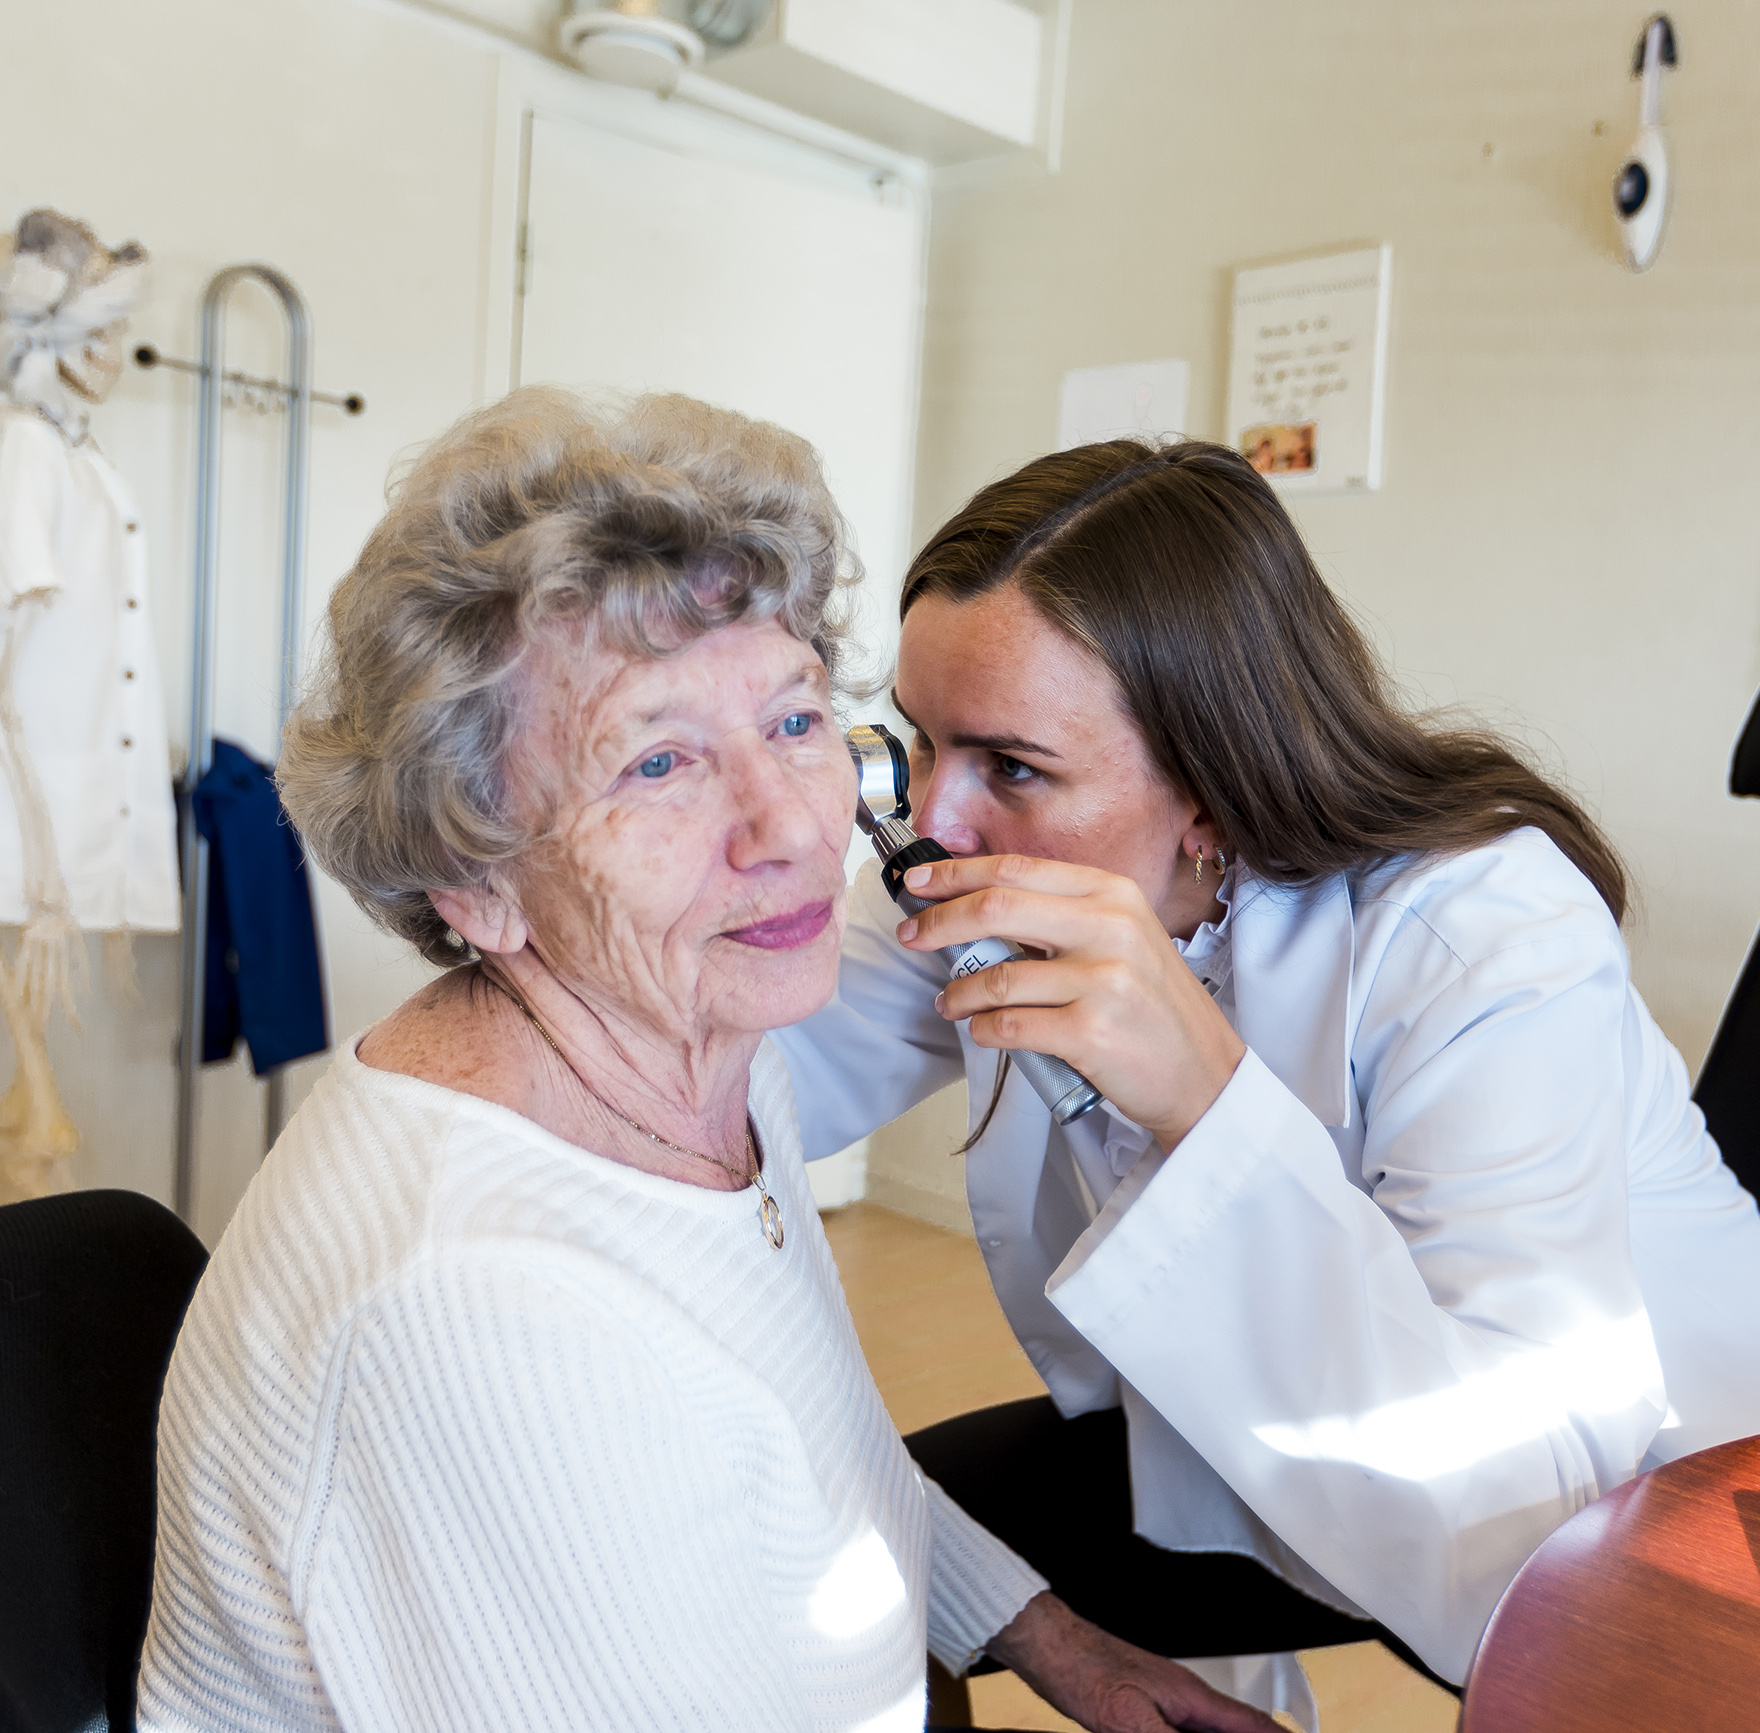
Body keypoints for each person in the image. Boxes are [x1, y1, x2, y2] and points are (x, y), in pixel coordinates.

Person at [135, 391, 1282, 1733]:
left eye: (798, 721)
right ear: (475, 879)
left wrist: (1052, 1638)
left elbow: (822, 1442)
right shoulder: (488, 1316)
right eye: (660, 761)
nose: (792, 827)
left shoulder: (715, 1070)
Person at [772, 437, 1760, 1692]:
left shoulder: (1479, 930)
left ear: (1210, 792)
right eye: (919, 742)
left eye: (1010, 765)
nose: (931, 821)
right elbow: (740, 1086)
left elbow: (1510, 1506)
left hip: (1652, 1530)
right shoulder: (978, 869)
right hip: (1254, 1448)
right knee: (860, 1569)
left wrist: (1207, 1109)